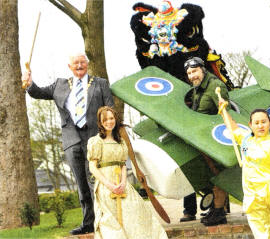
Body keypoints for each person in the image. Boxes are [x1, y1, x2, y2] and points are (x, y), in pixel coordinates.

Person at [21, 53, 115, 235]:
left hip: (95, 139)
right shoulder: (59, 85)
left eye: (82, 62)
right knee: (81, 183)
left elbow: (110, 108)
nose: (79, 65)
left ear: (87, 64)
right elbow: (37, 92)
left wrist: (109, 136)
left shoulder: (100, 83)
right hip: (71, 140)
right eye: (75, 63)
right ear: (69, 66)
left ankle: (106, 219)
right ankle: (88, 223)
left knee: (95, 181)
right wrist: (29, 82)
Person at [218, 99, 270, 239]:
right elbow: (233, 127)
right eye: (257, 122)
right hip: (252, 194)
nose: (260, 125)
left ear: (269, 123)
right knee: (263, 234)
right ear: (250, 125)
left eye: (263, 122)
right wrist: (223, 110)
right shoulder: (245, 139)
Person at [87, 106, 168, 239]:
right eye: (105, 119)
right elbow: (93, 167)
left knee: (135, 213)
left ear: (115, 119)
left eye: (111, 118)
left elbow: (123, 165)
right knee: (111, 220)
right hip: (106, 186)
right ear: (100, 122)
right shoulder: (96, 142)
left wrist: (123, 182)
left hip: (122, 185)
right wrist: (110, 185)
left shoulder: (120, 142)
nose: (109, 122)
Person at [180, 56, 230, 226]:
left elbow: (226, 115)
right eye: (189, 73)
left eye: (194, 71)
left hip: (214, 140)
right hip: (202, 140)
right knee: (210, 176)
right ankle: (216, 209)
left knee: (218, 175)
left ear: (202, 69)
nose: (192, 75)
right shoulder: (197, 88)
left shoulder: (216, 86)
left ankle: (219, 213)